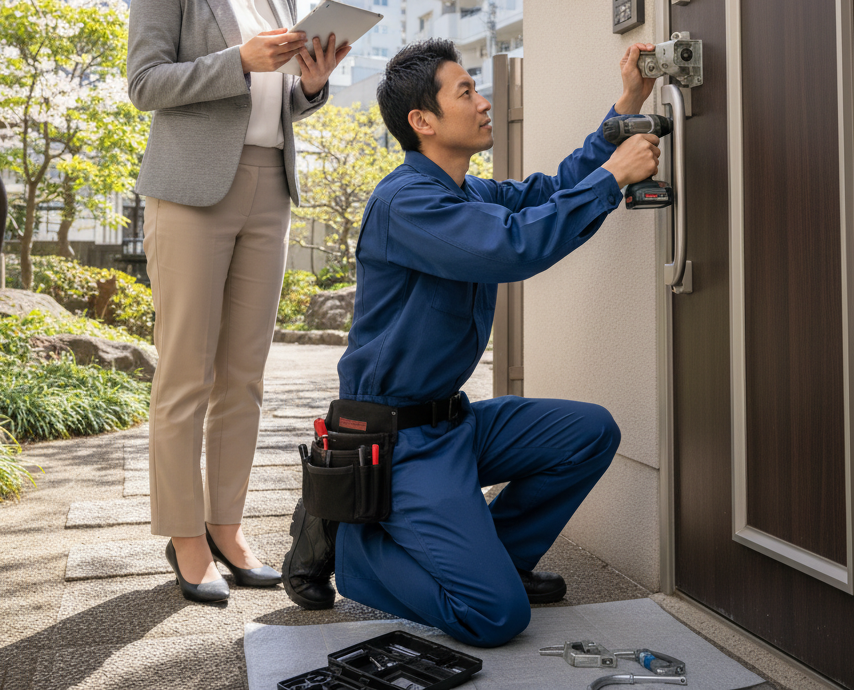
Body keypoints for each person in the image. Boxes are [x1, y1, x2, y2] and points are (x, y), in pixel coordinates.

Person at [280, 36, 660, 645]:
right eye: (466, 92)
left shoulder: (469, 192)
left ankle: (500, 560)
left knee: (589, 432)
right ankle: (351, 546)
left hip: (453, 426)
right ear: (422, 121)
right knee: (495, 617)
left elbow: (550, 191)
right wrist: (615, 178)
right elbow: (512, 246)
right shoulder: (404, 202)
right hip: (396, 444)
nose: (482, 103)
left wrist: (625, 106)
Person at [127, 0, 350, 603]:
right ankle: (185, 537)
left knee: (244, 375)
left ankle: (228, 524)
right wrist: (237, 62)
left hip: (268, 185)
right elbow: (146, 83)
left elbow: (282, 101)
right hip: (189, 191)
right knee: (185, 370)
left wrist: (312, 84)